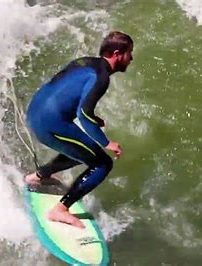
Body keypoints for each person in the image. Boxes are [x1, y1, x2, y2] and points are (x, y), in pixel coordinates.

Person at [25, 31, 134, 228]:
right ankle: (60, 210)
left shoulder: (84, 62)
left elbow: (64, 91)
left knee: (82, 150)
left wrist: (93, 118)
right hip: (50, 125)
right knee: (102, 163)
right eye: (129, 54)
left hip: (34, 114)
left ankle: (39, 176)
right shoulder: (102, 77)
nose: (131, 58)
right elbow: (83, 115)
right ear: (117, 54)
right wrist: (106, 142)